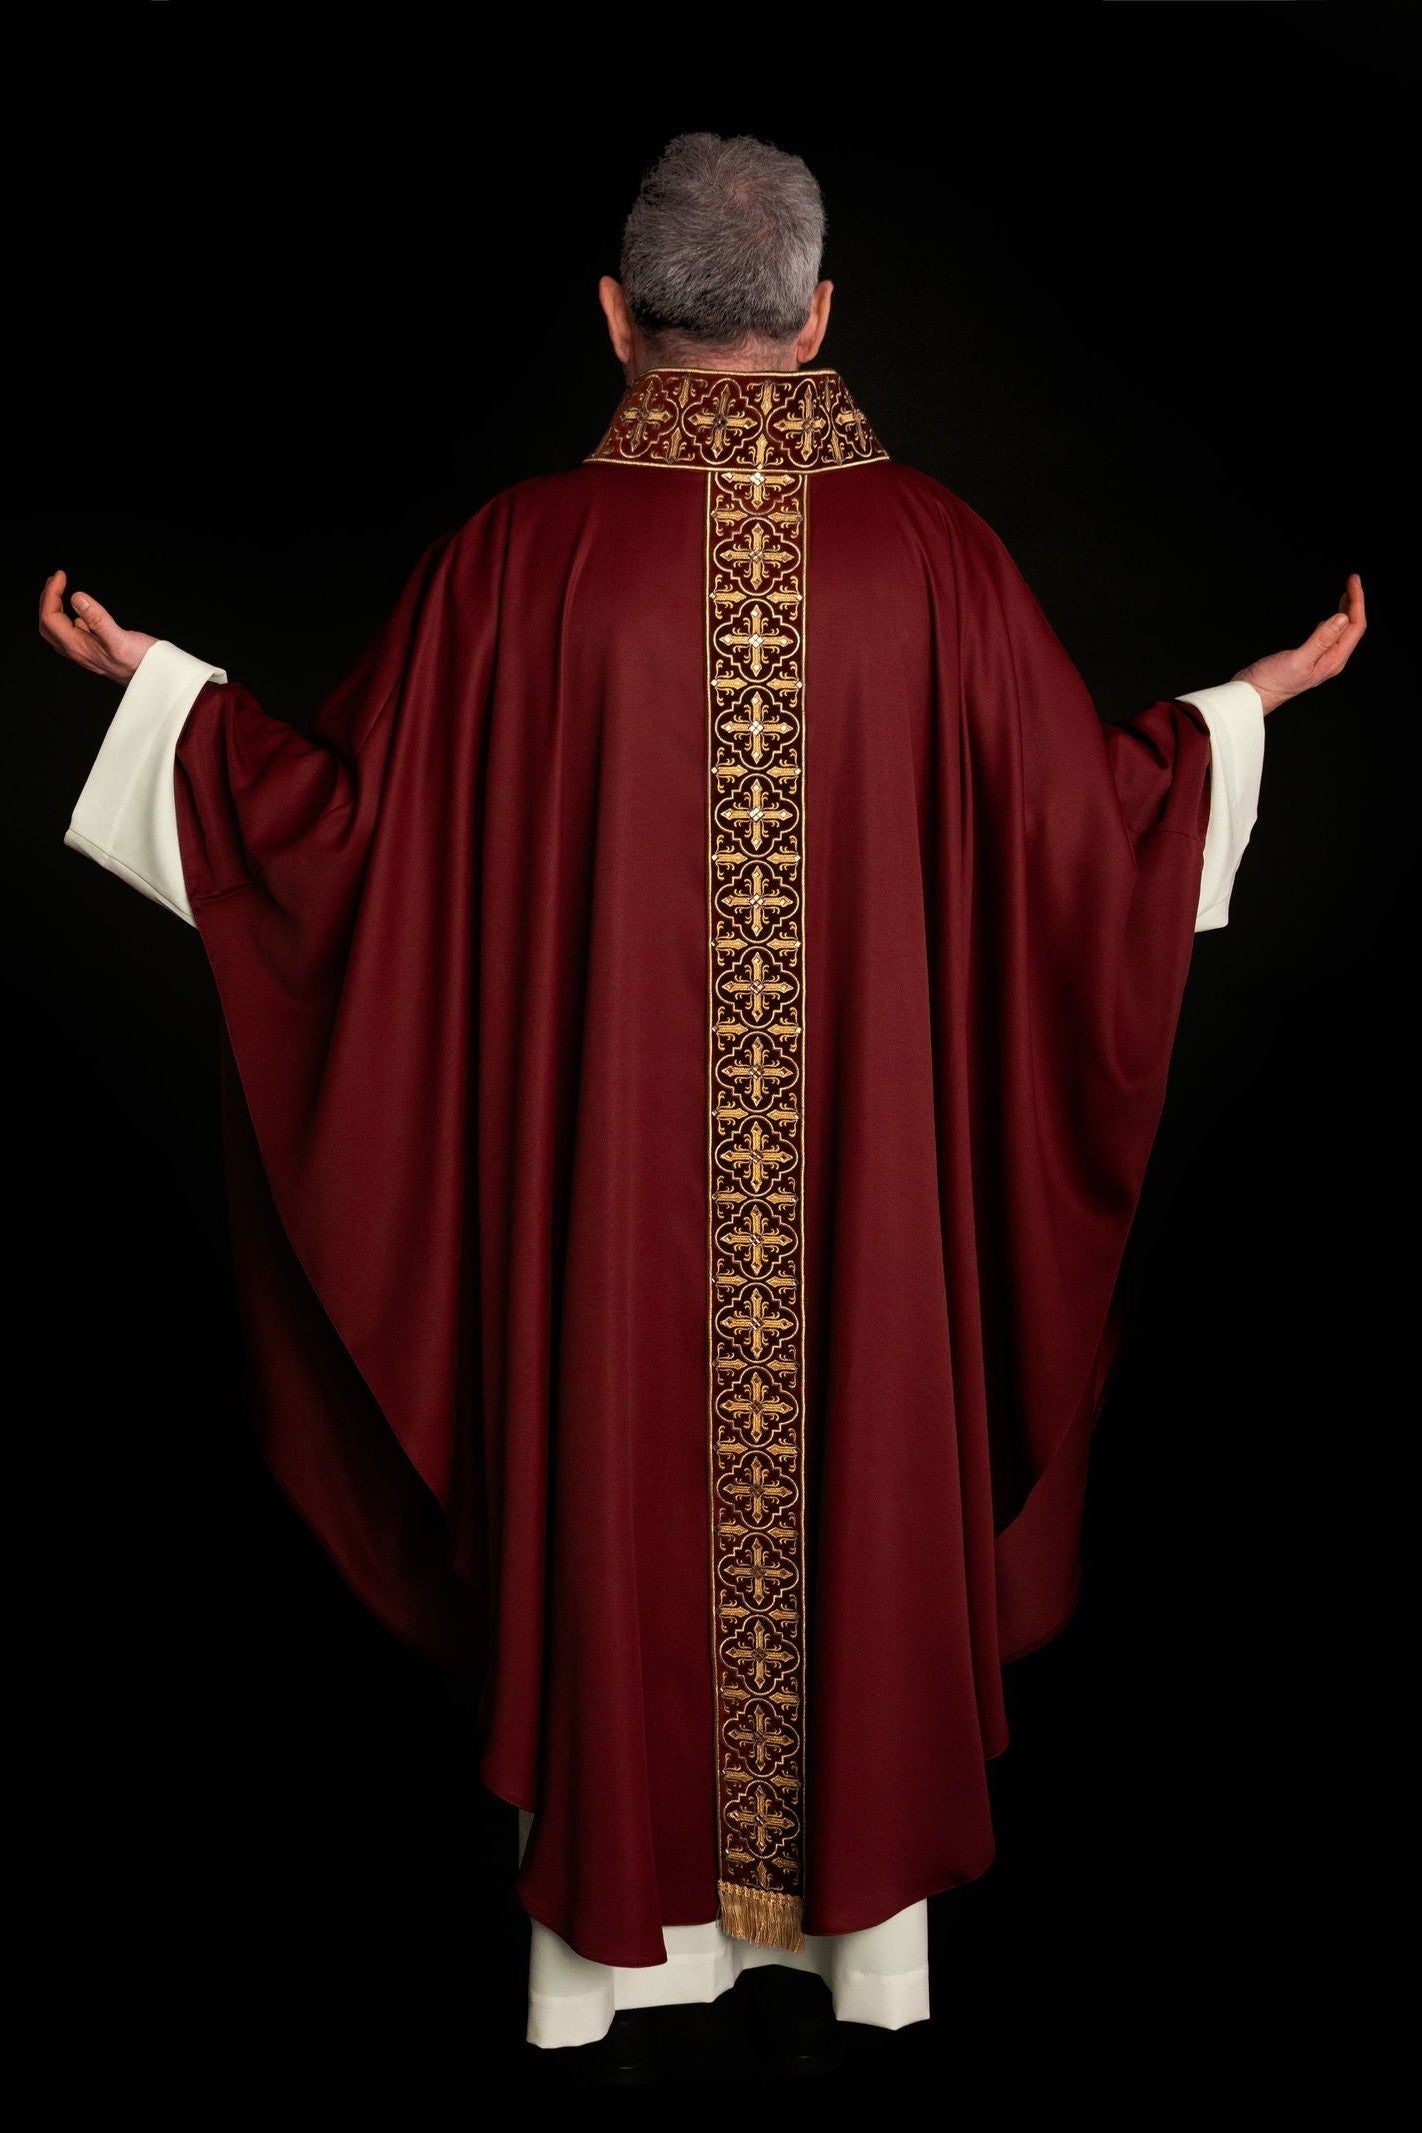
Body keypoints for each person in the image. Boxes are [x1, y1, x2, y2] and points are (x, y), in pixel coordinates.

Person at [41, 133, 1364, 2061]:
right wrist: (1233, 721)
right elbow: (1091, 843)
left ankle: (617, 1955)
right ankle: (859, 1952)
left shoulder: (517, 562)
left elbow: (339, 853)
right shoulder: (937, 558)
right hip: (864, 1251)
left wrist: (167, 696)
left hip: (612, 1267)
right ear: (819, 316)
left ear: (613, 318)